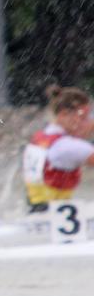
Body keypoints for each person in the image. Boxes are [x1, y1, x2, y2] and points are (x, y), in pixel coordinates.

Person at [23, 84, 94, 213]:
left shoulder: (41, 138)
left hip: (37, 213)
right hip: (53, 220)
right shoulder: (67, 147)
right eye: (83, 117)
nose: (89, 122)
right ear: (63, 115)